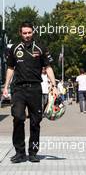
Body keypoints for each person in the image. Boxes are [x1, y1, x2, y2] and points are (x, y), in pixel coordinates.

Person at [2, 21, 57, 163]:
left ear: (33, 33)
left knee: (35, 122)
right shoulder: (14, 48)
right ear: (20, 33)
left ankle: (33, 152)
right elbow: (10, 68)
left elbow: (48, 67)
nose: (27, 35)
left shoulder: (41, 48)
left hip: (35, 89)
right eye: (24, 33)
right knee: (18, 118)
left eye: (29, 32)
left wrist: (54, 84)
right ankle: (19, 152)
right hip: (18, 89)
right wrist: (6, 87)